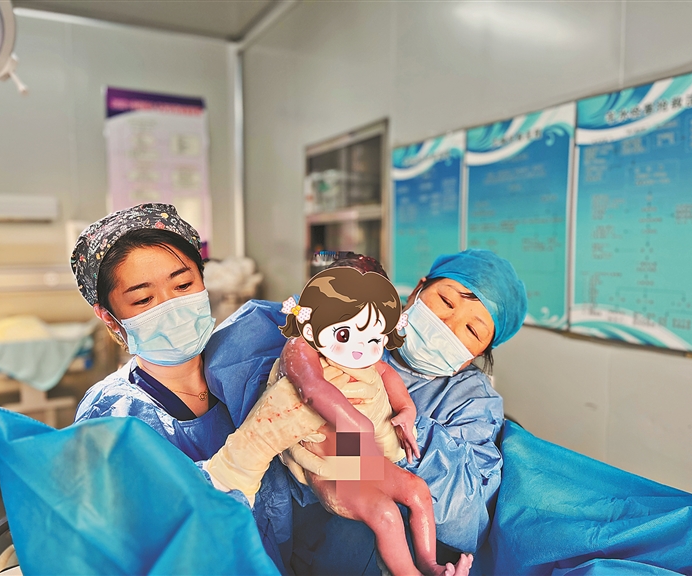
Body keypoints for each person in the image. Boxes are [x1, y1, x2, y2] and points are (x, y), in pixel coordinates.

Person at [204, 249, 528, 573]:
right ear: (418, 289)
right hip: (299, 537)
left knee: (404, 499)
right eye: (446, 301)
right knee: (377, 513)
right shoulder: (336, 319)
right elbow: (230, 358)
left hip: (366, 504)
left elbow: (468, 518)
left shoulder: (472, 401)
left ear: (478, 355)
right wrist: (298, 389)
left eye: (472, 331)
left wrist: (395, 422)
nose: (448, 326)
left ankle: (425, 566)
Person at [70, 203, 300, 572]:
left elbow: (335, 435)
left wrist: (361, 465)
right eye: (143, 299)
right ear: (109, 317)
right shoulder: (113, 416)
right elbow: (145, 542)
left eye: (183, 285)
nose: (173, 306)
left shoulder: (252, 362)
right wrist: (238, 461)